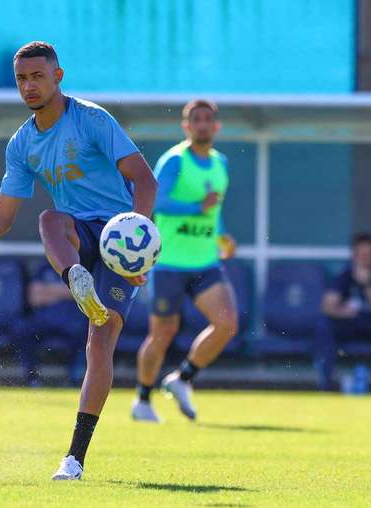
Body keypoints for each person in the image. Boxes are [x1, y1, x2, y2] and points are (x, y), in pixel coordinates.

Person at [0, 41, 156, 480]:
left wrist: (137, 244)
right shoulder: (22, 145)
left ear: (58, 77)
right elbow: (3, 218)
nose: (29, 85)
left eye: (37, 76)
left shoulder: (94, 120)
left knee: (100, 344)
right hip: (75, 237)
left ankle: (75, 457)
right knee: (49, 218)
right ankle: (76, 279)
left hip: (119, 236)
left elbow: (144, 180)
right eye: (22, 78)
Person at [132, 100, 239, 423]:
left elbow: (214, 212)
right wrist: (196, 207)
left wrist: (222, 237)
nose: (202, 124)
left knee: (228, 323)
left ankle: (183, 378)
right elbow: (158, 201)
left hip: (206, 261)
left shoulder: (221, 164)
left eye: (208, 119)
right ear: (186, 126)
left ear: (217, 126)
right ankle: (143, 400)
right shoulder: (175, 161)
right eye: (196, 119)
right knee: (163, 333)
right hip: (170, 264)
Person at [316, 232, 371, 391]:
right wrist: (341, 312)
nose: (364, 260)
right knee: (323, 324)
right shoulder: (344, 276)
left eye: (368, 255)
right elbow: (326, 306)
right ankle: (325, 385)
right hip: (347, 323)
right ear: (354, 256)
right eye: (361, 255)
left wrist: (367, 285)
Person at [14, 261, 88, 387]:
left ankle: (75, 379)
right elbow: (34, 298)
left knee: (87, 332)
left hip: (71, 321)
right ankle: (32, 377)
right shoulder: (44, 268)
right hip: (43, 321)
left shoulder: (80, 268)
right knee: (21, 329)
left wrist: (47, 291)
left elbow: (86, 294)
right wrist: (68, 292)